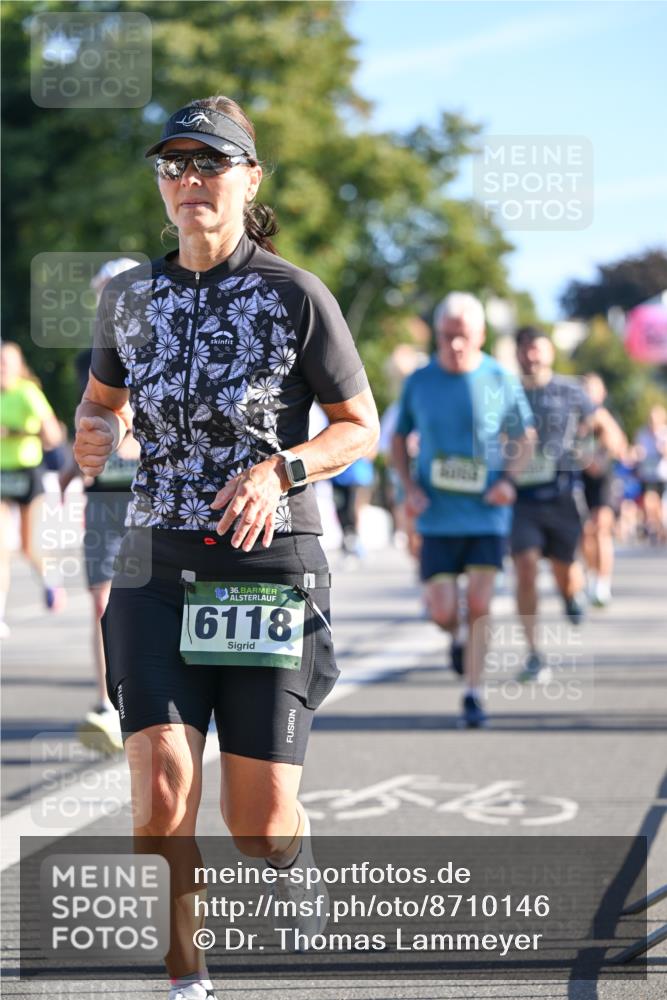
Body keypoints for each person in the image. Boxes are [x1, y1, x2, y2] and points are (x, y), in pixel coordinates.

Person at [73, 95, 379, 1000]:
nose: (189, 181)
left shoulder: (292, 295)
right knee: (160, 801)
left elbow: (356, 425)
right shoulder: (133, 297)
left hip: (266, 572)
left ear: (249, 178)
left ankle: (294, 835)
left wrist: (278, 469)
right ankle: (186, 979)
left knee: (257, 827)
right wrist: (94, 428)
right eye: (173, 165)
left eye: (209, 164)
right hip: (156, 567)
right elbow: (102, 403)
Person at [392, 292, 534, 728]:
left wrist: (509, 481)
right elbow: (399, 440)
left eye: (463, 337)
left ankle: (474, 693)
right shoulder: (420, 380)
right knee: (442, 610)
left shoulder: (499, 378)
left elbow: (524, 436)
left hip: (486, 514)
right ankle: (452, 635)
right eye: (446, 336)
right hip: (436, 514)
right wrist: (410, 487)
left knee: (479, 600)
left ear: (481, 335)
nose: (454, 345)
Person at [510, 327, 616, 680]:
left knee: (564, 571)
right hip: (521, 498)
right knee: (524, 568)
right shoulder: (506, 391)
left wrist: (600, 454)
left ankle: (573, 594)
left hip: (562, 496)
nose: (530, 356)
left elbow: (605, 427)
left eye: (536, 349)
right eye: (524, 350)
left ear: (550, 352)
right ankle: (534, 654)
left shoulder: (572, 389)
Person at [0, 342, 65, 636]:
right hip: (2, 474)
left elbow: (52, 435)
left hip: (28, 474)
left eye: (6, 363)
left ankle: (51, 579)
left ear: (17, 366)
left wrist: (15, 431)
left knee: (28, 547)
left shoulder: (28, 393)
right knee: (1, 549)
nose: (2, 368)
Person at [579, 373, 627, 606]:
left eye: (593, 388)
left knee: (601, 529)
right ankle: (590, 576)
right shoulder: (572, 416)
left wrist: (599, 454)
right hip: (580, 479)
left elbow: (620, 446)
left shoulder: (605, 416)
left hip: (604, 480)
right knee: (585, 532)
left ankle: (602, 584)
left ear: (602, 393)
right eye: (584, 388)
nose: (588, 392)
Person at [634, 404, 667, 544]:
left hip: (661, 475)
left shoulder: (664, 433)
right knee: (648, 502)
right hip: (647, 475)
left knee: (659, 505)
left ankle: (661, 528)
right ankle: (654, 527)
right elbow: (637, 451)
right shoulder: (642, 433)